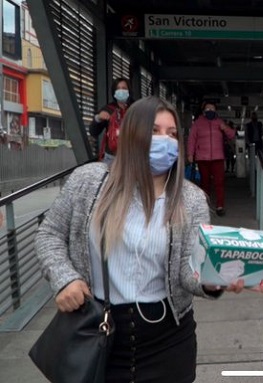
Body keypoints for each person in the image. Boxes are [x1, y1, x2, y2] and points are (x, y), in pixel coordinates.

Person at [35, 96, 244, 383]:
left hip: (169, 341)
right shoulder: (88, 182)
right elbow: (50, 233)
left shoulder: (191, 199)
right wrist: (65, 279)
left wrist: (212, 279)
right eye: (155, 131)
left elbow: (187, 270)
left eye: (172, 134)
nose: (166, 141)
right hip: (97, 334)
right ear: (132, 133)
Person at [186, 101, 235, 216]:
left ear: (215, 111)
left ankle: (220, 206)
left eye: (212, 109)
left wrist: (225, 128)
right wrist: (190, 154)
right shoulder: (197, 124)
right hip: (202, 158)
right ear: (203, 111)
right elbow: (192, 139)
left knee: (219, 182)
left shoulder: (219, 122)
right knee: (205, 182)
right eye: (208, 109)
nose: (210, 111)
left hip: (218, 157)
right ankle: (204, 205)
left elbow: (232, 134)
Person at [89, 77, 133, 164]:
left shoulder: (136, 108)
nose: (121, 91)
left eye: (124, 88)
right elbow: (93, 132)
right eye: (118, 89)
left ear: (129, 91)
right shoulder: (108, 109)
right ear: (114, 92)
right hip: (112, 157)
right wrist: (98, 118)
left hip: (132, 156)